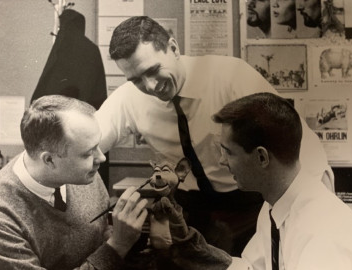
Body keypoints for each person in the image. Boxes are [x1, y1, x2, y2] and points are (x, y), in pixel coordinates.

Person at [95, 16, 333, 256]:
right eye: (136, 79)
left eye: (154, 70)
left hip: (247, 204)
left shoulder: (231, 77)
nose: (150, 86)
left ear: (174, 48)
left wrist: (323, 215)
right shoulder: (128, 98)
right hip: (190, 211)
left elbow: (296, 141)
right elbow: (86, 140)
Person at [155, 92, 352, 269]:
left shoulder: (322, 234)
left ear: (262, 157)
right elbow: (250, 267)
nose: (221, 161)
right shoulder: (275, 205)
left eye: (228, 152)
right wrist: (189, 243)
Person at [0, 95, 148, 269]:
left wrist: (125, 236)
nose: (101, 158)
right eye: (88, 153)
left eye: (97, 146)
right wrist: (118, 246)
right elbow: (111, 249)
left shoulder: (84, 173)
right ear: (49, 160)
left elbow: (101, 236)